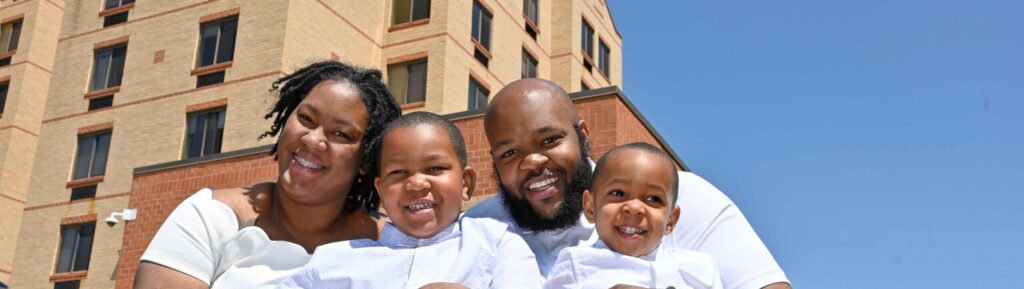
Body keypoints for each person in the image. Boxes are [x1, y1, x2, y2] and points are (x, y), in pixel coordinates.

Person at [462, 79, 791, 289]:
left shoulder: (681, 195)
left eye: (549, 140)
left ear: (582, 136)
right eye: (510, 152)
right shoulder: (475, 231)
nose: (532, 161)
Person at [133, 61, 403, 289]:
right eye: (306, 119)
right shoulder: (208, 218)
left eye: (340, 134)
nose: (312, 139)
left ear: (366, 160)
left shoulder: (390, 240)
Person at [276, 112, 543, 289]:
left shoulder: (496, 244)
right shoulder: (333, 260)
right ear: (380, 191)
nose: (416, 183)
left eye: (435, 169)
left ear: (465, 183)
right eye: (398, 172)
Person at [545, 143, 723, 289]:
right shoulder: (577, 264)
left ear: (671, 220)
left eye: (653, 198)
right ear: (590, 207)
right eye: (618, 193)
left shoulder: (698, 269)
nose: (634, 207)